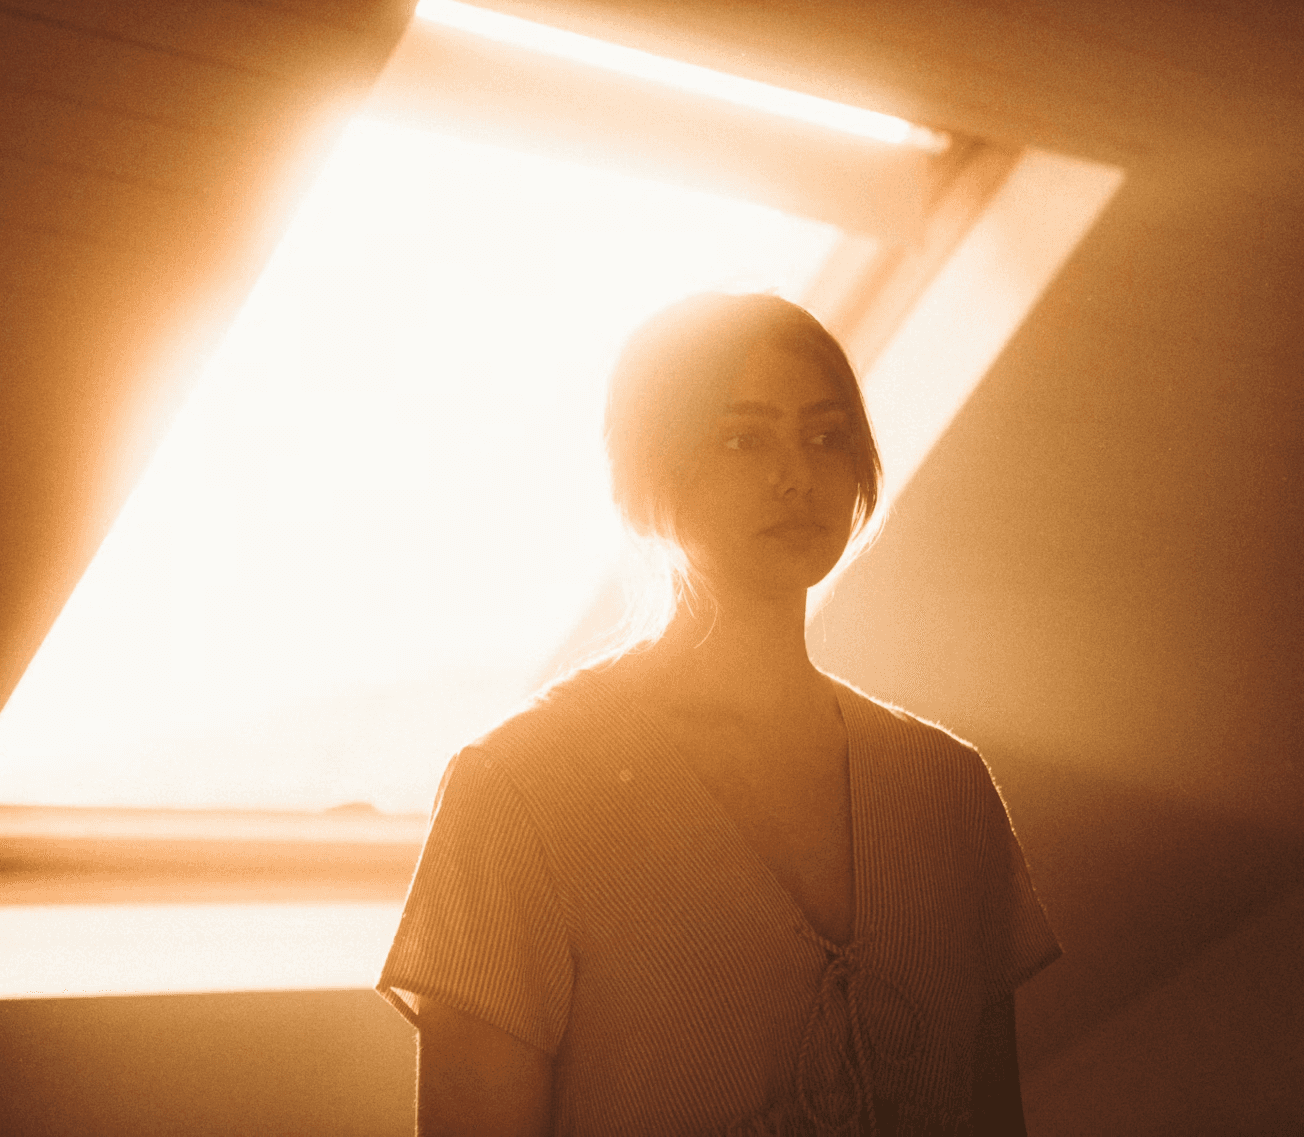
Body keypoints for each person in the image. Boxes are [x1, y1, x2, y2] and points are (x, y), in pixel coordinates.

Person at [378, 294, 1060, 1136]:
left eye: (826, 435)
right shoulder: (519, 793)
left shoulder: (947, 790)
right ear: (647, 475)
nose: (795, 475)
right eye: (742, 436)